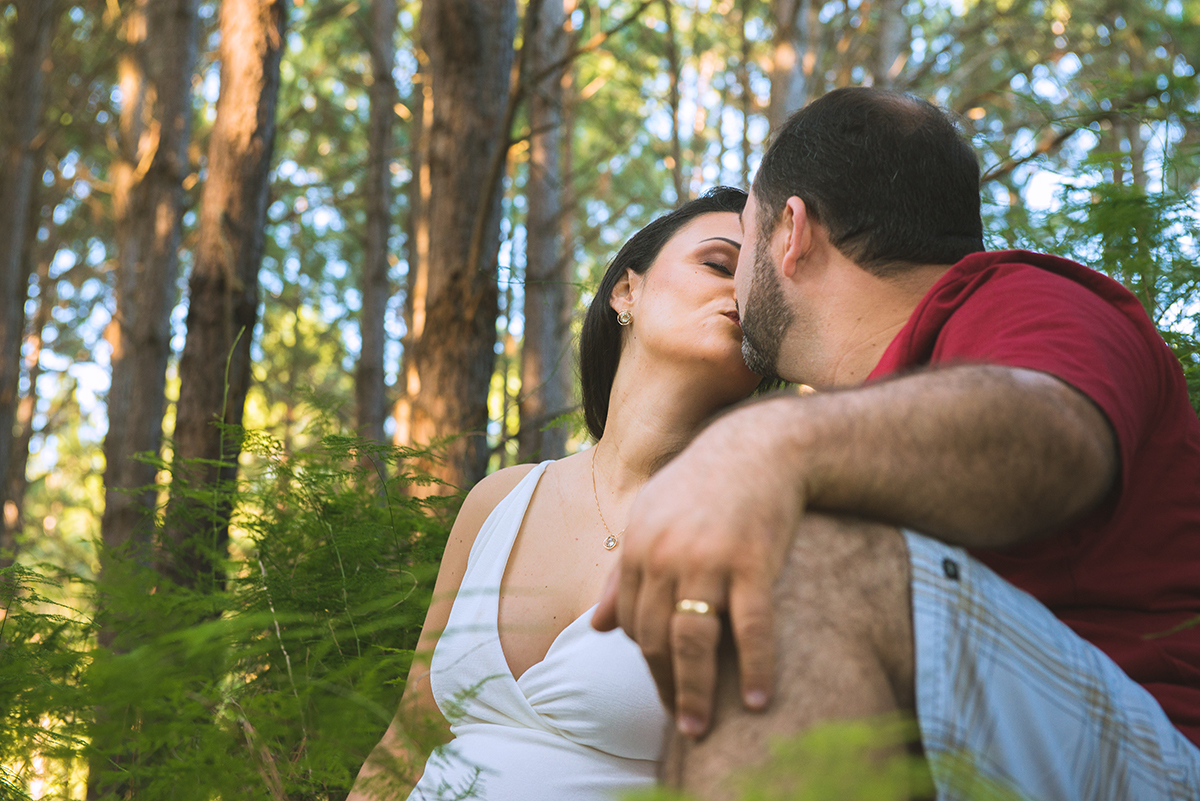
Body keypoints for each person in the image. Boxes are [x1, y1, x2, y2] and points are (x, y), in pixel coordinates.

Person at [594, 87, 1200, 800]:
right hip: (988, 744)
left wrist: (768, 441)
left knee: (802, 558)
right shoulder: (867, 407)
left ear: (792, 233)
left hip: (1150, 748)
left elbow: (1050, 436)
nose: (734, 287)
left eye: (744, 237)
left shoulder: (1020, 298)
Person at [348, 187, 765, 801]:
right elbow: (407, 739)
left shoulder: (765, 526)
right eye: (718, 264)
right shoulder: (500, 501)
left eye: (760, 286)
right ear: (628, 290)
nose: (739, 292)